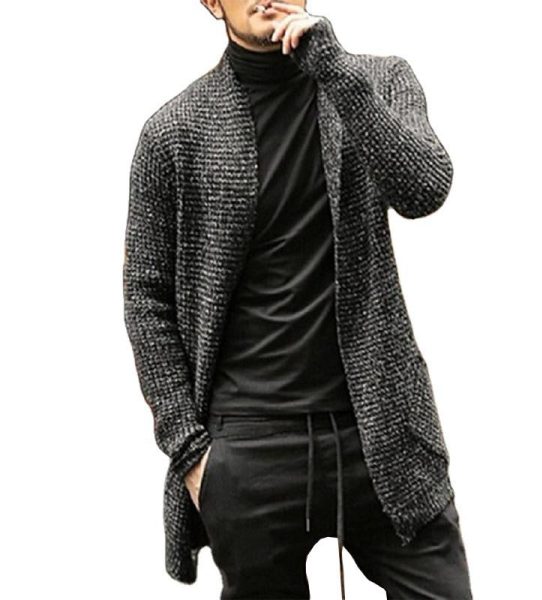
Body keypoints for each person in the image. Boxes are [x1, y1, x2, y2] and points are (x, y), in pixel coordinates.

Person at [123, 1, 473, 598]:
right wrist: (190, 452)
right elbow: (145, 296)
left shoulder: (378, 79)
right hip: (249, 448)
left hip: (381, 432)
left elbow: (424, 189)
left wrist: (334, 69)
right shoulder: (174, 131)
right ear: (211, 2)